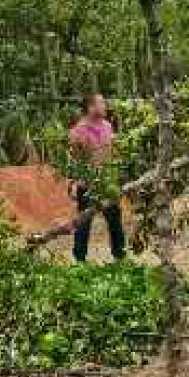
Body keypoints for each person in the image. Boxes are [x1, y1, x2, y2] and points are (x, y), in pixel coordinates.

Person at [68, 91, 126, 263]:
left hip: (108, 183)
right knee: (84, 223)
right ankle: (79, 261)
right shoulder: (77, 132)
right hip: (88, 185)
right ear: (91, 107)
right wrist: (74, 182)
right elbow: (74, 160)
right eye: (101, 103)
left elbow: (113, 153)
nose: (105, 106)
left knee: (115, 220)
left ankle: (120, 256)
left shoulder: (108, 126)